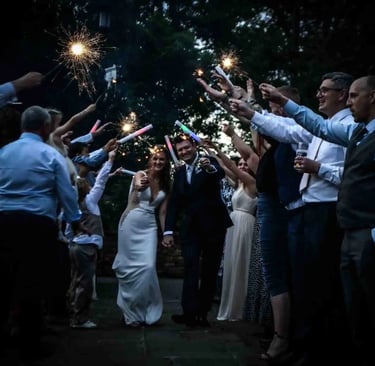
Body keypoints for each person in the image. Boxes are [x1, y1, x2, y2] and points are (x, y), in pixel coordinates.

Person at [230, 72, 353, 365]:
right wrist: (250, 112)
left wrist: (318, 168)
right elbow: (287, 129)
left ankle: (319, 350)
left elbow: (352, 176)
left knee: (321, 284)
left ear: (343, 94)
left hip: (327, 213)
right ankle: (304, 345)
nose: (319, 94)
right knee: (304, 283)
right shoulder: (323, 126)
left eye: (325, 90)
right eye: (319, 90)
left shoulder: (350, 128)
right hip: (308, 212)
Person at [259, 74, 375, 366]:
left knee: (356, 298)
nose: (349, 102)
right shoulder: (357, 132)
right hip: (343, 224)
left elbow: (348, 176)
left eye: (353, 96)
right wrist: (265, 106)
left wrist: (319, 168)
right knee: (334, 296)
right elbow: (312, 126)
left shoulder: (357, 130)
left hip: (354, 226)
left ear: (371, 97)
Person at [0, 105, 82, 364]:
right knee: (32, 284)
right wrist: (75, 220)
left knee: (4, 281)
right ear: (46, 127)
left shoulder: (4, 153)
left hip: (4, 222)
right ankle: (29, 345)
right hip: (38, 225)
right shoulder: (50, 155)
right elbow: (66, 193)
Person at [162, 133, 233, 327]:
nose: (184, 152)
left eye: (186, 147)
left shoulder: (207, 161)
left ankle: (202, 313)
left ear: (194, 146)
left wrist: (209, 167)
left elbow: (220, 173)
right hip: (191, 228)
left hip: (214, 226)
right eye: (180, 150)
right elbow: (174, 203)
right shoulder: (178, 173)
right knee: (191, 267)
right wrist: (168, 230)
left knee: (210, 269)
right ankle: (189, 312)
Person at [112, 145, 171, 327]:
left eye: (161, 159)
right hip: (131, 222)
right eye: (155, 158)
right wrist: (139, 186)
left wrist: (166, 233)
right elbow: (137, 184)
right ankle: (130, 312)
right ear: (150, 160)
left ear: (166, 162)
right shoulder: (140, 174)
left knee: (147, 267)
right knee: (128, 268)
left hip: (149, 227)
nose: (157, 162)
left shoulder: (167, 184)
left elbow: (163, 213)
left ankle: (143, 309)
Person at [202, 138, 258, 321]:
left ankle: (240, 308)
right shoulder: (238, 184)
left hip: (245, 225)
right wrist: (211, 152)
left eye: (244, 164)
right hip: (233, 227)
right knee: (231, 265)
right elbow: (223, 167)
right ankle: (229, 305)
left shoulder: (251, 183)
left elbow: (231, 167)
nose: (241, 166)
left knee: (242, 265)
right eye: (240, 164)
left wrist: (218, 147)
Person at [65, 149, 117, 329]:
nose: (89, 184)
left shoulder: (72, 205)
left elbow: (68, 229)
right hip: (86, 248)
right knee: (85, 284)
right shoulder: (89, 201)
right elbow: (101, 181)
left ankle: (71, 313)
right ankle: (79, 319)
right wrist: (110, 160)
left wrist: (70, 242)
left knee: (75, 281)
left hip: (75, 247)